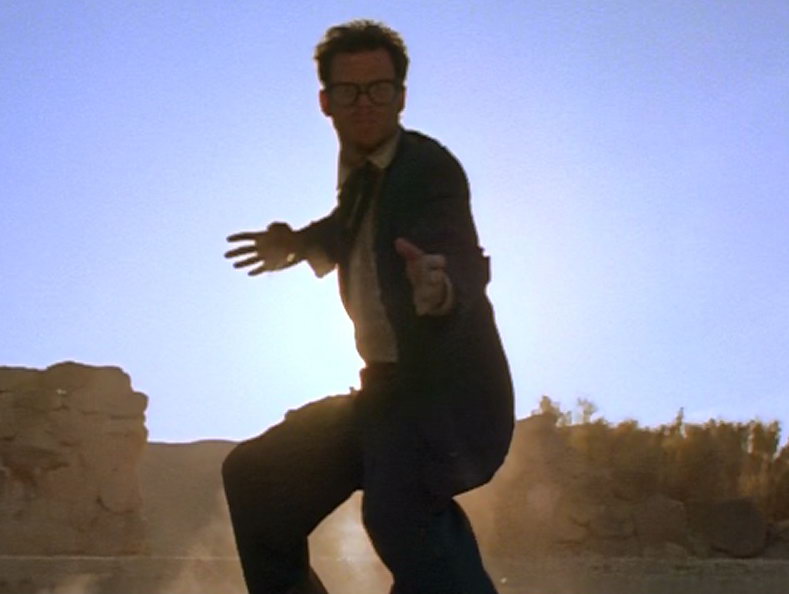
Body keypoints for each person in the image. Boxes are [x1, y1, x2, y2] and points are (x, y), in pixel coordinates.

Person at [222, 19, 514, 594]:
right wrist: (296, 244)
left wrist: (441, 289)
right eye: (349, 91)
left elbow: (454, 248)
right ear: (326, 102)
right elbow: (345, 226)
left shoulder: (429, 170)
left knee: (399, 510)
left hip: (446, 400)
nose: (365, 104)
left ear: (401, 97)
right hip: (384, 395)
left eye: (379, 89)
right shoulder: (361, 180)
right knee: (256, 478)